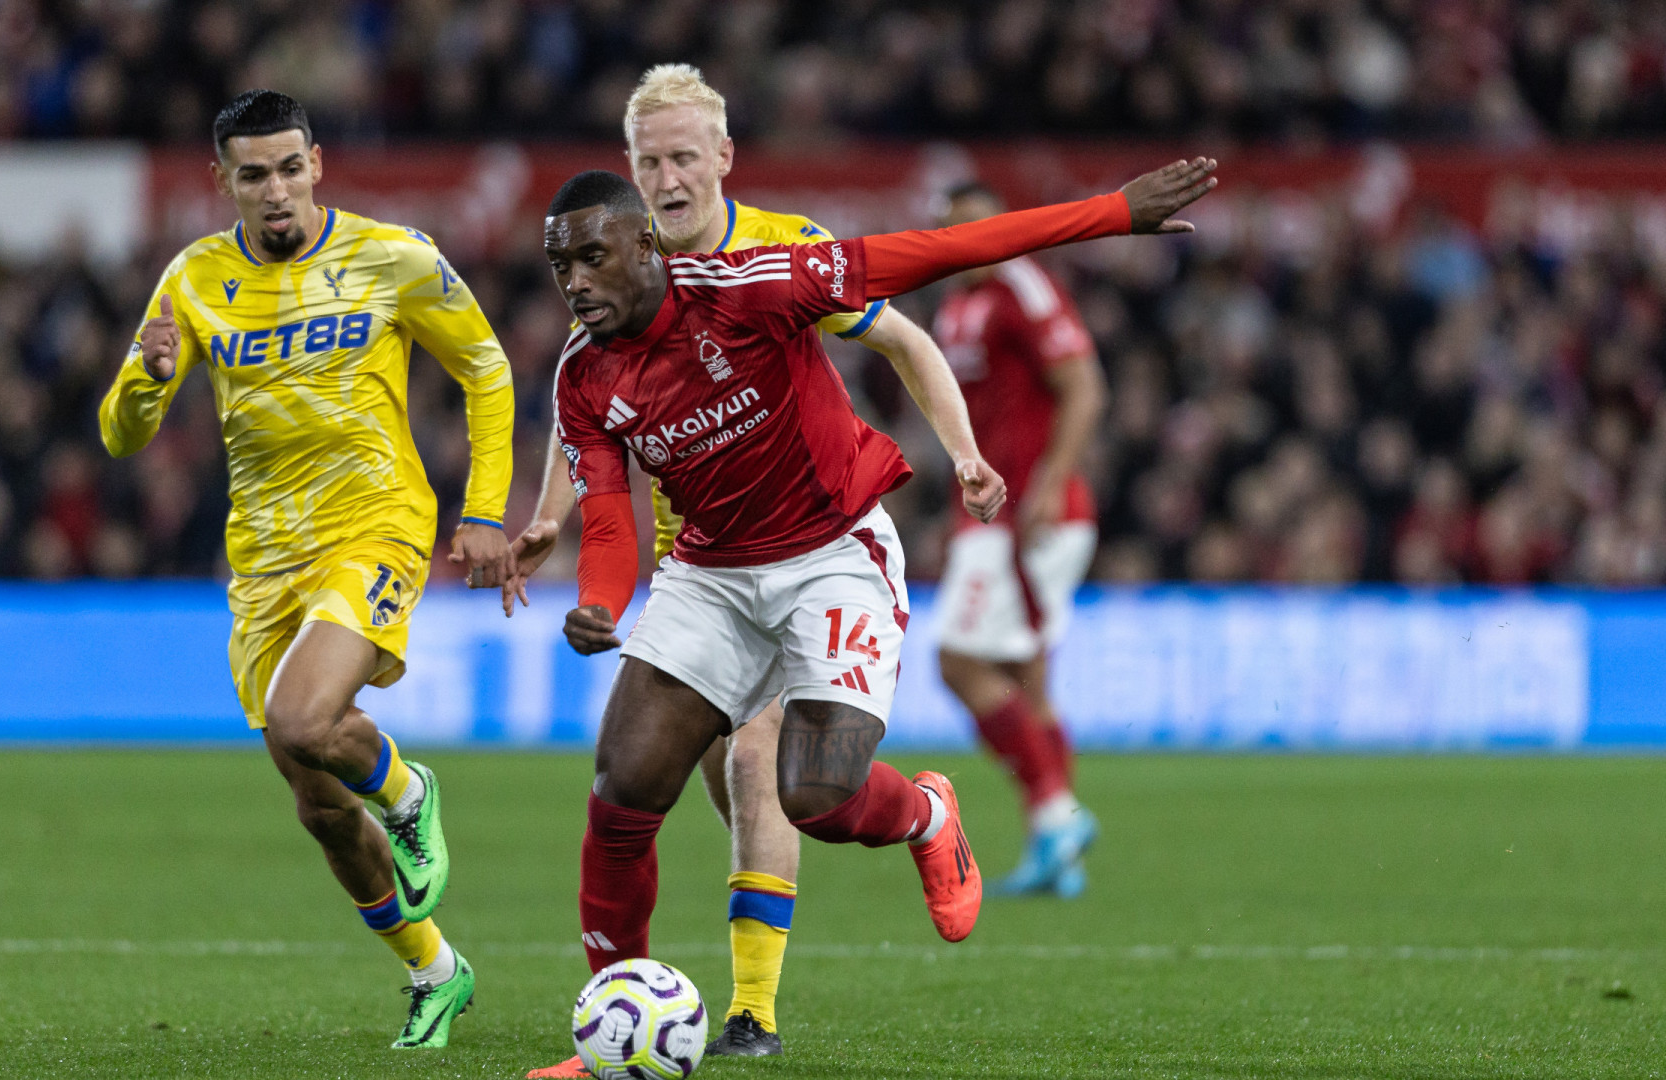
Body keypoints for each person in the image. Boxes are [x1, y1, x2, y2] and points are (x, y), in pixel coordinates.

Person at [517, 156, 1214, 1064]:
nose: (575, 284)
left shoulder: (754, 289)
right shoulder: (582, 376)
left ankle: (925, 815)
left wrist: (1112, 211)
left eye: (592, 258)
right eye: (560, 268)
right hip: (712, 574)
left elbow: (937, 250)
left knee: (815, 794)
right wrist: (598, 603)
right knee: (621, 793)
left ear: (645, 243)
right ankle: (606, 1034)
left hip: (832, 555)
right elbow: (610, 518)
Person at [506, 64, 978, 1069]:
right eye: (649, 160)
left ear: (723, 157)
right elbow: (591, 425)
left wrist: (964, 451)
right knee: (646, 780)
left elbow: (903, 337)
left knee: (780, 777)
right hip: (699, 562)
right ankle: (612, 1030)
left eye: (684, 155)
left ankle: (757, 1006)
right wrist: (553, 528)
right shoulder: (608, 283)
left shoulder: (784, 251)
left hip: (815, 546)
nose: (668, 177)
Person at [97, 90, 515, 1051]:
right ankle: (435, 971)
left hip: (376, 526)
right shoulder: (194, 277)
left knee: (303, 718)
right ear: (224, 182)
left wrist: (484, 508)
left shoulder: (395, 256)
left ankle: (410, 795)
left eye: (290, 168)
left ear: (318, 164)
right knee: (320, 805)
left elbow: (486, 370)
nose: (275, 190)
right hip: (264, 563)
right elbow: (122, 437)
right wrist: (144, 382)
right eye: (254, 174)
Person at [931, 182, 1107, 898]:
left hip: (1031, 514)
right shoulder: (954, 301)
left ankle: (1058, 814)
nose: (969, 241)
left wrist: (1048, 482)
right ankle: (1054, 855)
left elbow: (1084, 386)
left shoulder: (1024, 288)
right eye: (954, 230)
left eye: (979, 227)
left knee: (959, 661)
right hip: (989, 515)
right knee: (1030, 682)